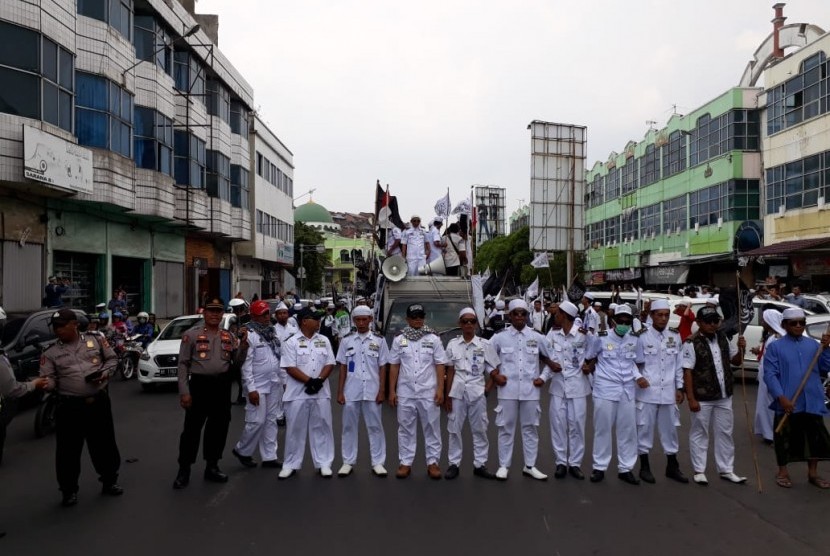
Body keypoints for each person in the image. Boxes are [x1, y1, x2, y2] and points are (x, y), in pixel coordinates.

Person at [39, 308, 123, 507]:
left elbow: (112, 359)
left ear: (74, 325)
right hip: (69, 407)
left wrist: (104, 374)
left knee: (104, 444)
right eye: (55, 327)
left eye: (62, 326)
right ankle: (68, 491)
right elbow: (48, 379)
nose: (58, 331)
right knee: (68, 451)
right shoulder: (50, 352)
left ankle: (109, 481)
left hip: (97, 402)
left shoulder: (95, 340)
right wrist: (44, 384)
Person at [173, 298, 242, 489]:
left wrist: (243, 346)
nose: (214, 315)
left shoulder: (228, 336)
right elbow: (183, 364)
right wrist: (184, 392)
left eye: (218, 311)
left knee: (218, 427)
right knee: (192, 430)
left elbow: (236, 362)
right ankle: (184, 469)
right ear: (204, 314)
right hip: (200, 386)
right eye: (211, 311)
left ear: (222, 314)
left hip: (221, 386)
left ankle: (212, 465)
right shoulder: (191, 335)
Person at [489, 299, 556, 481]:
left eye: (523, 314)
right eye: (516, 313)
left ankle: (530, 466)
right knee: (506, 429)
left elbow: (554, 359)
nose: (519, 317)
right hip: (507, 391)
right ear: (509, 315)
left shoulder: (537, 337)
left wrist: (542, 378)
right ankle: (504, 465)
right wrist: (495, 375)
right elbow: (486, 357)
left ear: (527, 316)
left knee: (530, 429)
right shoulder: (499, 337)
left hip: (530, 391)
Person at [763, 308, 830, 489]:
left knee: (814, 438)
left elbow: (826, 367)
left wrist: (826, 348)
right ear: (785, 325)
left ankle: (813, 473)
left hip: (812, 399)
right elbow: (770, 375)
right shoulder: (775, 347)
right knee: (784, 438)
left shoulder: (814, 345)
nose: (799, 326)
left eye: (802, 322)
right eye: (794, 323)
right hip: (788, 401)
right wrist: (781, 397)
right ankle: (783, 472)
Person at [681, 306, 747, 486]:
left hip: (724, 395)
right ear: (699, 323)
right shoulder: (691, 343)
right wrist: (691, 398)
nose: (712, 324)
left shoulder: (723, 338)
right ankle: (699, 470)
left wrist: (742, 349)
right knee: (700, 433)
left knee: (725, 433)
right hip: (702, 397)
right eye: (708, 321)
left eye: (715, 321)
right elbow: (687, 371)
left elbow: (736, 361)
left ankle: (726, 469)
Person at [583, 304, 642, 485]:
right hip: (605, 388)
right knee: (603, 429)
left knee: (628, 430)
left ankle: (625, 468)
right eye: (621, 320)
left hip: (627, 389)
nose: (624, 323)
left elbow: (636, 361)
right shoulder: (600, 338)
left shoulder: (634, 339)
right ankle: (599, 467)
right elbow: (589, 358)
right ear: (613, 321)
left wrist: (638, 377)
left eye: (628, 320)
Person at [387, 303, 448, 479]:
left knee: (432, 427)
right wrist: (392, 391)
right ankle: (405, 462)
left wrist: (440, 390)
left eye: (420, 316)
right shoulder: (399, 340)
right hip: (405, 391)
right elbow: (394, 366)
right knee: (405, 428)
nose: (417, 320)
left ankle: (433, 463)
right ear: (407, 319)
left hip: (428, 391)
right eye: (414, 317)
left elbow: (440, 365)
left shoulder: (433, 339)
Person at [634, 299, 689, 484]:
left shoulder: (675, 335)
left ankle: (672, 466)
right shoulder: (641, 336)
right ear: (651, 316)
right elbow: (632, 363)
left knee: (670, 430)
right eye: (659, 315)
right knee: (644, 428)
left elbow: (679, 365)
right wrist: (637, 377)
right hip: (648, 392)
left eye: (666, 315)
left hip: (669, 392)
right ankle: (644, 466)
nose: (664, 319)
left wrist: (680, 388)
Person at [278, 308, 336, 479]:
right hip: (297, 393)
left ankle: (324, 463)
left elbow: (330, 363)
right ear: (304, 321)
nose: (319, 322)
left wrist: (318, 381)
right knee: (295, 429)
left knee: (323, 427)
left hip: (320, 392)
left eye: (319, 319)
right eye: (315, 319)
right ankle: (290, 464)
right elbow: (290, 367)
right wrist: (309, 381)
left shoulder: (324, 340)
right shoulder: (291, 341)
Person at [537, 301, 591, 480]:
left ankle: (575, 464)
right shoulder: (552, 335)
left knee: (577, 427)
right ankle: (561, 462)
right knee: (558, 426)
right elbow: (549, 360)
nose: (555, 315)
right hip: (558, 388)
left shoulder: (584, 336)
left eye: (558, 313)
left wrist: (589, 366)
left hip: (578, 388)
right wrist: (543, 378)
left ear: (565, 316)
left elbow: (596, 354)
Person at [444, 308, 498, 480]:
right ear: (459, 324)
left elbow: (495, 369)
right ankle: (454, 464)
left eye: (472, 321)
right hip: (457, 392)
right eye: (465, 321)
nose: (468, 324)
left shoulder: (484, 344)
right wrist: (447, 396)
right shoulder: (452, 344)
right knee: (454, 429)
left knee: (480, 429)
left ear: (476, 324)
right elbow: (450, 371)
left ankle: (480, 464)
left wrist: (487, 389)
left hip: (477, 392)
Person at [335, 305, 389, 477]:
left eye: (364, 319)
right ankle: (348, 461)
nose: (361, 322)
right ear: (353, 321)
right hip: (351, 390)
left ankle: (378, 462)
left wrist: (382, 391)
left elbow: (382, 368)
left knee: (375, 427)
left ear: (370, 320)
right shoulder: (346, 341)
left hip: (372, 390)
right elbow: (343, 367)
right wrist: (340, 391)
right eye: (358, 319)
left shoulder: (379, 341)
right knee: (349, 427)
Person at [231, 301, 283, 469]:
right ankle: (242, 450)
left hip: (274, 383)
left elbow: (277, 358)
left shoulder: (272, 333)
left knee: (271, 421)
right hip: (257, 386)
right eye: (263, 314)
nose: (267, 317)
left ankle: (269, 456)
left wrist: (283, 381)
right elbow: (245, 366)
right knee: (257, 421)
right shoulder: (249, 334)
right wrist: (250, 389)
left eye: (268, 313)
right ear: (254, 316)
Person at [753, 309, 785, 444]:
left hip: (772, 378)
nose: (762, 322)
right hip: (765, 376)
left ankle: (772, 435)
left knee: (770, 405)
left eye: (764, 320)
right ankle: (767, 432)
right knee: (764, 404)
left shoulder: (779, 339)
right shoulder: (772, 337)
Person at [273, 302, 299, 427]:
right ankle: (279, 415)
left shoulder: (294, 330)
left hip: (291, 365)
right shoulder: (272, 331)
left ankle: (290, 414)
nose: (282, 316)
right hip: (277, 365)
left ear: (288, 314)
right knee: (279, 391)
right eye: (280, 314)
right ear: (276, 316)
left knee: (290, 390)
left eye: (284, 313)